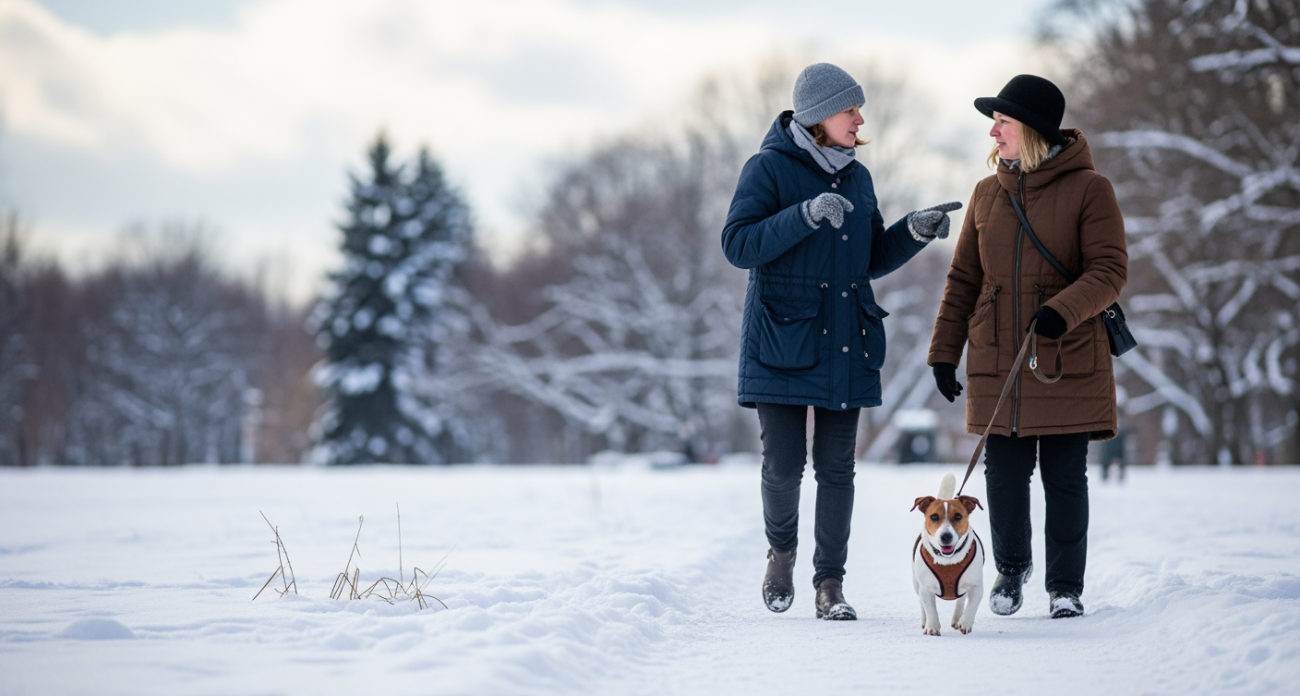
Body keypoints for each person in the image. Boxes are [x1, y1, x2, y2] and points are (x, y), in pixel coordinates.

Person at [722, 63, 961, 620]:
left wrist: (913, 232)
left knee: (837, 469)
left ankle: (830, 584)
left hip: (846, 340)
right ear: (816, 117)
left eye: (858, 110)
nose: (859, 119)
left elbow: (870, 258)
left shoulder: (859, 177)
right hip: (782, 337)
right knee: (783, 466)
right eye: (849, 109)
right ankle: (781, 553)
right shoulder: (768, 168)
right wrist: (804, 215)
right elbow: (738, 244)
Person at [927, 74, 1128, 619]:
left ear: (1032, 130)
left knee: (1065, 477)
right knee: (1005, 474)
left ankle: (1065, 587)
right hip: (996, 356)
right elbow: (963, 279)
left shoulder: (1091, 189)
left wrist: (1060, 311)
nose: (993, 132)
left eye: (1003, 122)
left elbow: (1110, 270)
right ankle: (1011, 571)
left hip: (1065, 357)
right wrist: (944, 351)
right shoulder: (987, 193)